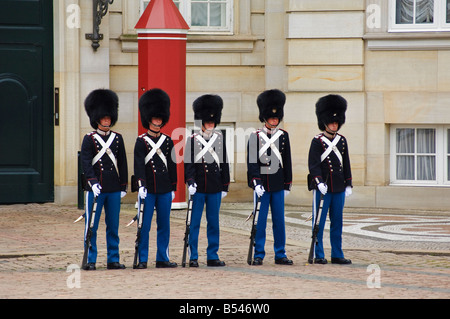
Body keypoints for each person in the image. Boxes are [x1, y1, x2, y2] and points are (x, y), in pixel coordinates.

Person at [80, 89, 128, 270]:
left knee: (113, 226)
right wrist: (92, 182)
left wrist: (123, 185)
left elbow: (122, 162)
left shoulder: (117, 138)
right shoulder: (89, 139)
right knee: (91, 226)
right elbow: (85, 162)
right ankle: (90, 259)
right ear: (97, 118)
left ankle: (113, 259)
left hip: (113, 188)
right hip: (96, 188)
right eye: (104, 117)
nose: (107, 120)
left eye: (109, 117)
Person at [246, 89, 293, 266]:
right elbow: (252, 163)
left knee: (279, 222)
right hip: (262, 187)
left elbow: (287, 160)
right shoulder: (255, 137)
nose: (274, 120)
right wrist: (255, 182)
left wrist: (287, 184)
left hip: (278, 185)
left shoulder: (283, 136)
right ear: (265, 117)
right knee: (260, 222)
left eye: (276, 118)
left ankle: (280, 253)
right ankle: (259, 253)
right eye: (271, 118)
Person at [133, 88, 178, 269]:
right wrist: (141, 185)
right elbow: (138, 165)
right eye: (155, 118)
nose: (158, 121)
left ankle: (162, 258)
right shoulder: (141, 141)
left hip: (164, 189)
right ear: (149, 118)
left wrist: (173, 187)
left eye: (160, 118)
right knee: (144, 226)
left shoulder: (167, 141)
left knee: (164, 226)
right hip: (148, 190)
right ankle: (142, 259)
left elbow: (172, 165)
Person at [184, 94, 230, 267]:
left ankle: (212, 255)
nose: (210, 125)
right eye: (208, 122)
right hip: (199, 188)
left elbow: (224, 163)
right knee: (194, 223)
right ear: (201, 123)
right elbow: (188, 164)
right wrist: (190, 182)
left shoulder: (219, 139)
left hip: (214, 187)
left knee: (214, 223)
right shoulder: (192, 140)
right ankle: (193, 256)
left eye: (212, 122)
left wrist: (225, 185)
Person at [308, 94, 353, 265]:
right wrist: (319, 182)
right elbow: (313, 165)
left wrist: (348, 183)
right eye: (332, 122)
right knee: (318, 222)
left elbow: (346, 163)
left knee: (337, 223)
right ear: (324, 122)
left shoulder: (342, 141)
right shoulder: (317, 141)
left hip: (339, 187)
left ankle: (337, 253)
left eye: (336, 122)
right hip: (323, 188)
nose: (334, 124)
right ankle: (319, 254)